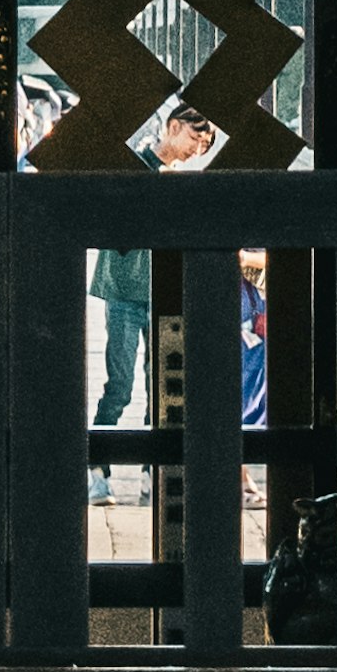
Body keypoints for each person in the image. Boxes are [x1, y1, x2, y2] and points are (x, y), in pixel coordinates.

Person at [92, 96, 220, 427]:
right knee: (119, 387)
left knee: (163, 386)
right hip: (124, 291)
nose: (198, 148)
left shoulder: (183, 182)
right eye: (195, 137)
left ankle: (156, 468)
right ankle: (98, 464)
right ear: (173, 127)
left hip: (164, 291)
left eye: (204, 144)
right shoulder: (135, 166)